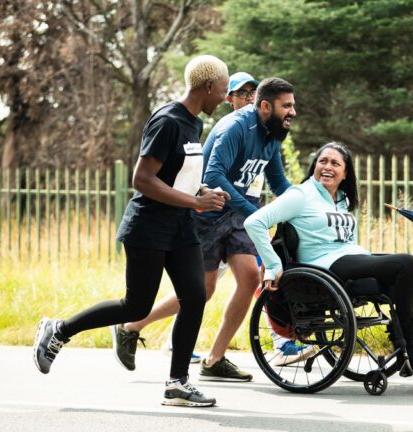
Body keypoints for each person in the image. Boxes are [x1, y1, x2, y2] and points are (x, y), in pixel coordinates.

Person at [33, 55, 231, 407]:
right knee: (136, 305)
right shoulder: (167, 122)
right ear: (208, 86)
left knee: (195, 296)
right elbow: (142, 179)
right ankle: (59, 330)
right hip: (149, 227)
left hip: (180, 227)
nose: (225, 97)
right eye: (223, 90)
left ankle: (177, 383)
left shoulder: (194, 124)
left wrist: (202, 192)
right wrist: (195, 202)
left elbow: (176, 175)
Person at [113, 76, 298, 382]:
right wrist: (254, 214)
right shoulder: (235, 127)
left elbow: (278, 182)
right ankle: (132, 326)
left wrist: (304, 205)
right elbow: (213, 175)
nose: (293, 112)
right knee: (203, 290)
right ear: (266, 106)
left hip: (239, 214)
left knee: (250, 278)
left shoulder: (273, 134)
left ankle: (214, 360)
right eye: (286, 106)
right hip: (207, 214)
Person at [244, 142, 413, 372]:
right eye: (323, 161)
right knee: (405, 263)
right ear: (315, 166)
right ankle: (410, 348)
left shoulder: (341, 199)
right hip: (325, 265)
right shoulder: (300, 195)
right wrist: (273, 265)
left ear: (345, 173)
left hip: (351, 257)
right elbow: (254, 222)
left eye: (335, 163)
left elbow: (347, 242)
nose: (327, 167)